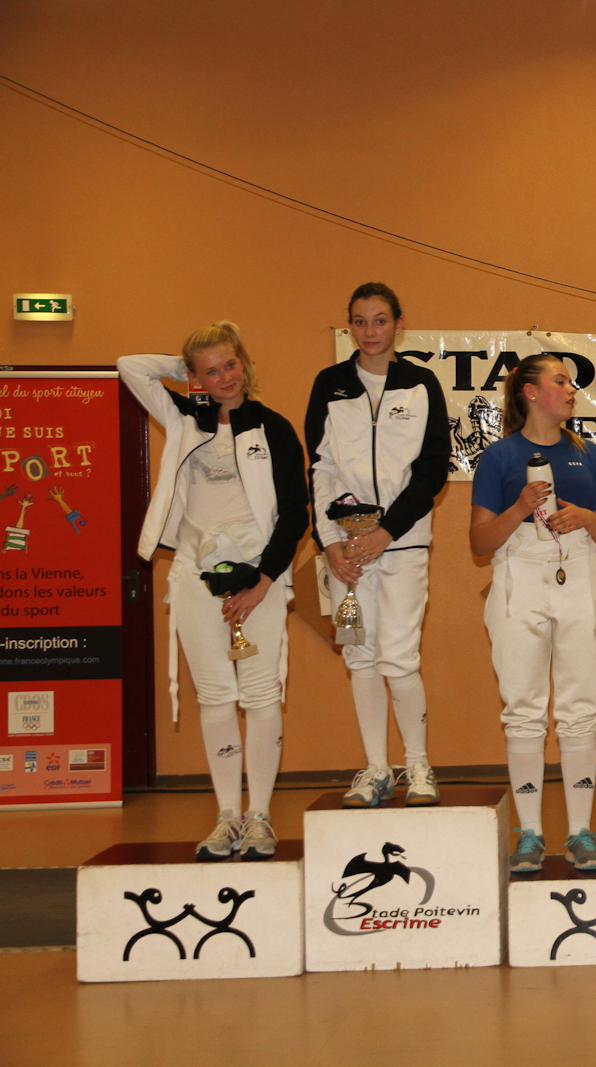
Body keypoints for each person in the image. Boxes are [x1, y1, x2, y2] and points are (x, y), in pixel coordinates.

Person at [120, 324, 308, 860]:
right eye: (209, 371)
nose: (223, 378)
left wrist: (262, 582)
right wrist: (184, 371)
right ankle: (227, 816)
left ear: (244, 363)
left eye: (229, 365)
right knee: (215, 697)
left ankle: (259, 817)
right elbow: (130, 366)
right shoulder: (184, 417)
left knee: (261, 694)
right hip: (193, 574)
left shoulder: (274, 427)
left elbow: (295, 513)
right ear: (195, 377)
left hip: (259, 577)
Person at [472, 353, 596, 873]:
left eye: (571, 382)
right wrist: (519, 508)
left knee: (580, 708)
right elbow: (479, 542)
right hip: (520, 579)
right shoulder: (499, 457)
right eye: (561, 381)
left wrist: (583, 517)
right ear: (531, 392)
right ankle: (530, 834)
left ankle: (580, 831)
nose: (571, 389)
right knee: (524, 709)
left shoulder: (589, 454)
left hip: (579, 575)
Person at [306, 283, 449, 808]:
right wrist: (329, 542)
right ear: (350, 326)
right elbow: (320, 466)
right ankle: (375, 768)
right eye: (361, 322)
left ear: (398, 324)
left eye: (380, 320)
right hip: (345, 548)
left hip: (403, 542)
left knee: (399, 657)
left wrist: (388, 530)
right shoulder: (330, 384)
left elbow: (432, 470)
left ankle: (418, 765)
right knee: (359, 654)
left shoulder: (421, 384)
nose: (370, 331)